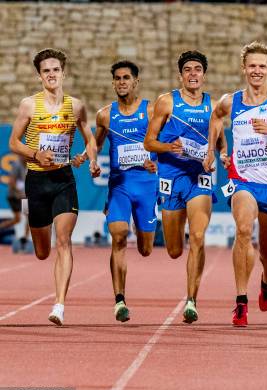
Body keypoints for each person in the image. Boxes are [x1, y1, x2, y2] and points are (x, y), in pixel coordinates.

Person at [204, 41, 267, 327]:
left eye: (262, 66)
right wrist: (216, 150)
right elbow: (215, 117)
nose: (257, 71)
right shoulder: (230, 101)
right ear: (244, 68)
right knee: (244, 230)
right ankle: (240, 301)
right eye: (252, 66)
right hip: (243, 181)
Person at [8, 48, 100, 326]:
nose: (51, 75)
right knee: (42, 252)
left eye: (56, 70)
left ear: (63, 73)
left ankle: (59, 304)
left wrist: (89, 157)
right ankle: (35, 224)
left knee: (63, 241)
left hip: (63, 180)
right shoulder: (28, 105)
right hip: (36, 181)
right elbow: (13, 143)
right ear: (40, 76)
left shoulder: (76, 107)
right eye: (46, 71)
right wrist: (36, 154)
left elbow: (90, 139)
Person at [143, 50, 216, 324]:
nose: (193, 73)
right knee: (175, 250)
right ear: (181, 74)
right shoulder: (167, 102)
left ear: (204, 75)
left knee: (197, 236)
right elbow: (149, 143)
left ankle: (191, 300)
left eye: (198, 69)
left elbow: (218, 142)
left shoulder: (213, 105)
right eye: (188, 69)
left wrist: (216, 155)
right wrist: (168, 147)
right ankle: (180, 248)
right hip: (171, 177)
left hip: (199, 178)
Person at [93, 60, 158, 322]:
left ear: (135, 82)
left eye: (126, 77)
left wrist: (156, 162)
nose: (122, 82)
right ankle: (119, 300)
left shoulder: (151, 111)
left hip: (146, 186)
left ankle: (138, 226)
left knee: (145, 249)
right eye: (117, 78)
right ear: (113, 83)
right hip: (119, 186)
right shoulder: (105, 115)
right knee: (118, 236)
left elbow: (162, 143)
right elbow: (95, 146)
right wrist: (92, 162)